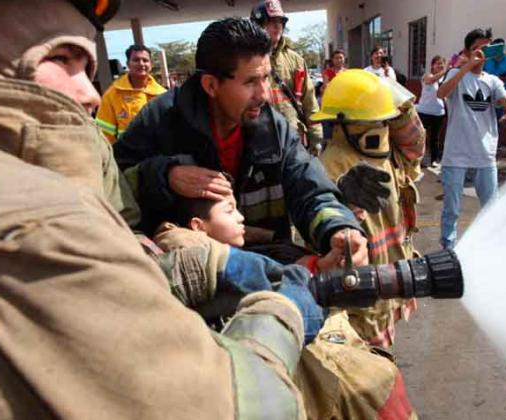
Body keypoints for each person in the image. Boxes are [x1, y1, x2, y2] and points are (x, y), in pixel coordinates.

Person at [0, 1, 319, 418]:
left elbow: (122, 231)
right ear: (212, 85)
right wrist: (282, 313)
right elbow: (236, 404)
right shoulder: (27, 221)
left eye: (87, 66)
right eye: (59, 59)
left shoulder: (275, 124)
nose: (89, 91)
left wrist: (335, 224)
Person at [113, 18, 368, 269]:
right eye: (250, 82)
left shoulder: (276, 130)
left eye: (266, 78)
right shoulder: (159, 121)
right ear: (211, 85)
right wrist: (164, 175)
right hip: (186, 284)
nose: (264, 94)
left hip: (268, 271)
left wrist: (338, 227)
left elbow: (310, 188)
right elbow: (111, 187)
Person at [159, 191, 418, 419]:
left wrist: (333, 238)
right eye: (229, 210)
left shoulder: (265, 253)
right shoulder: (200, 276)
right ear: (198, 226)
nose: (241, 217)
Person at [313, 69, 425, 348]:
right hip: (360, 305)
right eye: (379, 115)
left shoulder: (391, 152)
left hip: (391, 288)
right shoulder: (330, 165)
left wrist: (389, 91)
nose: (385, 122)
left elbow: (415, 139)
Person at [436, 28, 506, 250]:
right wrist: (465, 66)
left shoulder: (492, 81)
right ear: (466, 52)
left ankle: (491, 246)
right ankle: (448, 249)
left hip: (485, 153)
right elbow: (441, 93)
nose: (482, 53)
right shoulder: (456, 75)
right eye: (477, 49)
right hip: (456, 155)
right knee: (452, 209)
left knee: (491, 206)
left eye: (486, 48)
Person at [250, 0, 323, 153]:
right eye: (271, 21)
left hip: (294, 139)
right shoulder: (245, 60)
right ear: (257, 25)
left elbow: (309, 101)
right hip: (259, 141)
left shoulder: (296, 60)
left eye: (280, 21)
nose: (277, 26)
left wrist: (316, 136)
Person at [96, 44, 166, 143]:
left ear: (151, 64)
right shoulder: (112, 94)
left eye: (145, 60)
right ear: (128, 64)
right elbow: (104, 132)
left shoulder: (162, 94)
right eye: (136, 60)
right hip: (126, 155)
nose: (141, 64)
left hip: (157, 155)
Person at [416, 55, 448, 168]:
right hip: (424, 111)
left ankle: (434, 159)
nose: (440, 65)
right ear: (432, 66)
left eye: (442, 63)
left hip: (438, 113)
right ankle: (420, 158)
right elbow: (430, 80)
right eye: (437, 63)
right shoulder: (427, 76)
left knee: (435, 138)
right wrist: (445, 71)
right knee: (421, 136)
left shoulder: (444, 79)